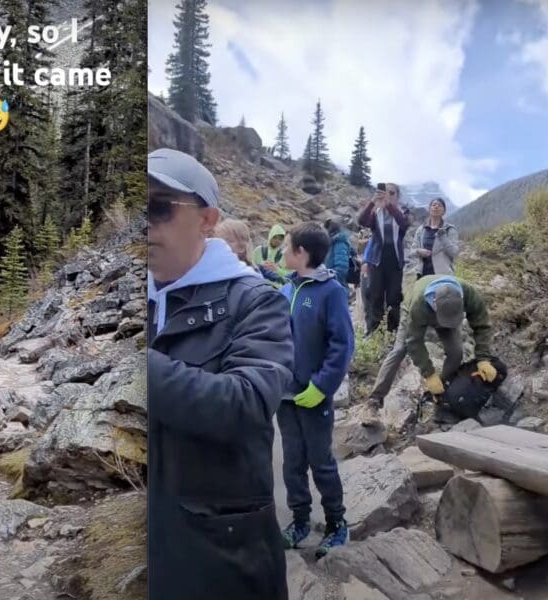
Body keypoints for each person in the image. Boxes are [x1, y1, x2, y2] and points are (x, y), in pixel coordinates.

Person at [146, 148, 294, 600]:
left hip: (224, 551)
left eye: (159, 208)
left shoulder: (256, 302)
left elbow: (246, 404)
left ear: (207, 221)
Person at [277, 222, 354, 559]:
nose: (281, 251)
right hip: (285, 394)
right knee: (292, 462)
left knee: (320, 462)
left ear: (301, 253)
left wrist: (322, 385)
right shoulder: (288, 288)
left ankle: (338, 524)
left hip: (313, 395)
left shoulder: (330, 291)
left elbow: (342, 345)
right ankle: (300, 522)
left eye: (286, 246)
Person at [362, 274, 494, 423]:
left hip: (447, 312)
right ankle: (374, 400)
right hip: (413, 308)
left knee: (456, 352)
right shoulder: (419, 305)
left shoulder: (470, 294)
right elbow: (414, 342)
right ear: (435, 305)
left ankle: (441, 396)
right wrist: (429, 374)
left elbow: (482, 325)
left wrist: (483, 359)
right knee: (399, 350)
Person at [358, 182, 409, 333]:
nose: (388, 195)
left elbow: (404, 224)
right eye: (385, 192)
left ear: (398, 197)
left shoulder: (403, 212)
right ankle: (374, 332)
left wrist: (389, 206)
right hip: (377, 261)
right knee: (375, 296)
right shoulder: (376, 212)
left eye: (392, 193)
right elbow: (361, 221)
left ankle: (392, 331)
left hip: (395, 262)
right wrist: (372, 202)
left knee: (394, 298)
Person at [214, 218, 285, 284]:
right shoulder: (259, 250)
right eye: (275, 237)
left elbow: (290, 277)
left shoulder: (283, 255)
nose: (277, 241)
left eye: (280, 239)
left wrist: (277, 270)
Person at [409, 198, 460, 278]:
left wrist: (442, 236)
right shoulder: (421, 229)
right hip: (423, 275)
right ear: (429, 209)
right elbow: (412, 252)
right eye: (433, 205)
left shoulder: (449, 229)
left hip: (443, 275)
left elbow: (454, 252)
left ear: (444, 211)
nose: (436, 207)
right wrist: (419, 251)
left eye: (439, 205)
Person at [323, 219, 352, 287]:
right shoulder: (331, 242)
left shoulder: (339, 243)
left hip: (336, 285)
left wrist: (331, 278)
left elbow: (341, 267)